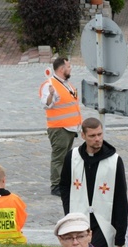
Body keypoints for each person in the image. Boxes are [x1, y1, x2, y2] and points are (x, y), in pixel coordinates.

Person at [60, 117, 128, 247]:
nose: (97, 139)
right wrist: (68, 212)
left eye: (99, 134)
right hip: (79, 218)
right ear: (83, 136)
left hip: (103, 221)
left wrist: (120, 233)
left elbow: (121, 197)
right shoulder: (72, 157)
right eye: (92, 136)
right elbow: (64, 186)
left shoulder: (114, 161)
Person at [41, 57, 82, 197]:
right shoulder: (49, 85)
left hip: (70, 127)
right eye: (68, 66)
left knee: (65, 157)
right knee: (59, 157)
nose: (70, 69)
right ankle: (56, 185)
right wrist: (51, 95)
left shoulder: (67, 84)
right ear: (61, 69)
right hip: (59, 128)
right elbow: (47, 104)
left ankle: (63, 182)